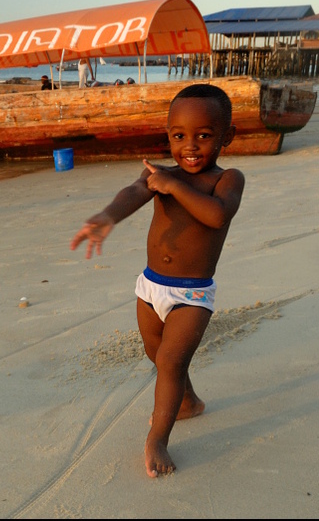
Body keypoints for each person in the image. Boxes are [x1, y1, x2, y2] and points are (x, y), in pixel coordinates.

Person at [69, 84, 244, 479]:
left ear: (226, 137)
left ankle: (157, 439)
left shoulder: (227, 179)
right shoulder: (160, 175)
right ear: (168, 135)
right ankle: (188, 402)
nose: (191, 146)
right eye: (179, 136)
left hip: (192, 294)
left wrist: (175, 186)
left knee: (169, 360)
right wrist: (108, 216)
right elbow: (133, 192)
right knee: (156, 352)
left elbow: (217, 216)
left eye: (204, 135)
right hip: (150, 287)